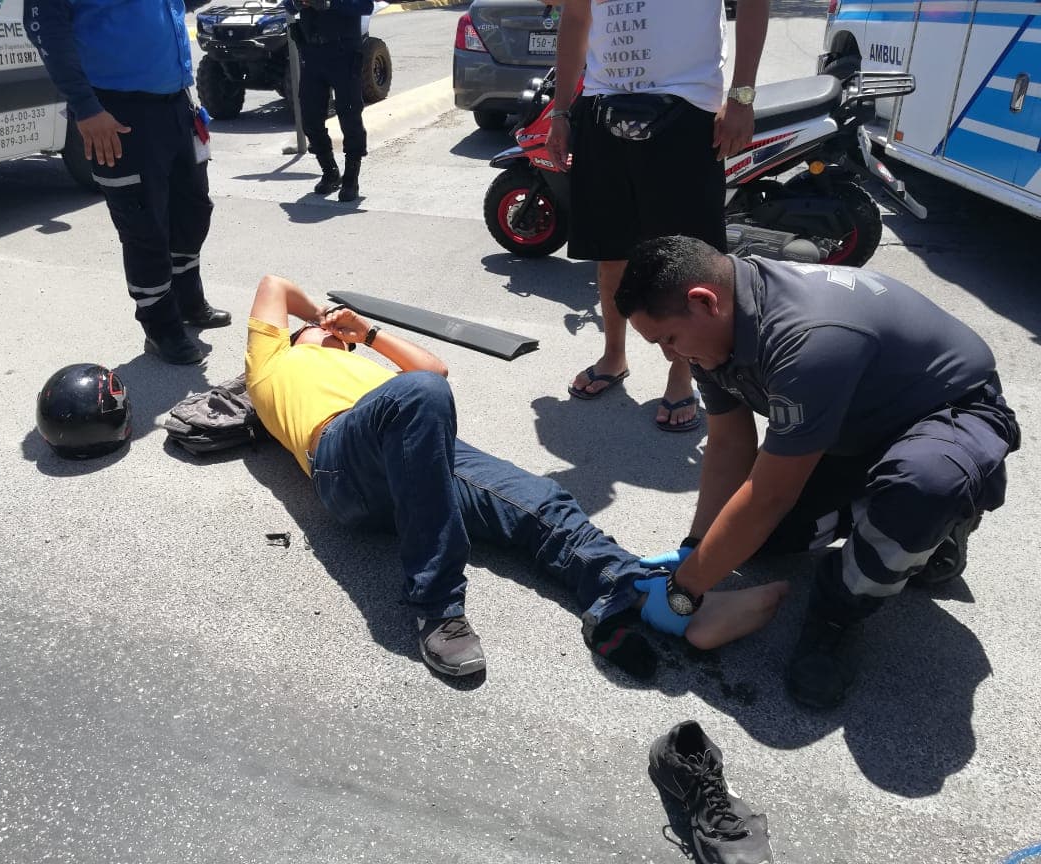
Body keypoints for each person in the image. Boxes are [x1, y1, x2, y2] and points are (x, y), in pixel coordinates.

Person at [244, 275, 789, 678]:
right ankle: (436, 609)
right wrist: (319, 315)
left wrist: (366, 333)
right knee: (419, 396)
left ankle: (660, 602)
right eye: (316, 335)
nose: (329, 337)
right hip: (343, 461)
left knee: (543, 504)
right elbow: (276, 285)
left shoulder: (365, 359)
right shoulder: (271, 360)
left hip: (421, 447)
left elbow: (435, 370)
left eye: (334, 337)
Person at [614, 236, 1021, 708]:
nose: (669, 355)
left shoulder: (807, 337)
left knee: (923, 486)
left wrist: (684, 594)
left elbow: (769, 496)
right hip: (856, 430)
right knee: (750, 542)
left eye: (667, 339)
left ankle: (839, 612)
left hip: (948, 414)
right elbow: (729, 443)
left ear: (703, 301)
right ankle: (896, 517)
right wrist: (695, 550)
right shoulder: (714, 328)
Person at [544, 0, 769, 432]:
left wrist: (741, 95)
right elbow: (575, 17)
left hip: (685, 107)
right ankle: (614, 353)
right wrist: (560, 110)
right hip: (601, 105)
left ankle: (684, 373)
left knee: (687, 260)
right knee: (610, 251)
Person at [25, 0, 231, 365]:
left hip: (177, 105)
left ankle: (188, 301)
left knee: (192, 210)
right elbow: (47, 31)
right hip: (118, 112)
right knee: (143, 224)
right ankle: (160, 327)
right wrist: (86, 108)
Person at [287, 0, 373, 202]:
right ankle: (330, 171)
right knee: (309, 118)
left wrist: (329, 3)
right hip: (313, 54)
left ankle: (351, 178)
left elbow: (365, 6)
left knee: (350, 118)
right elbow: (288, 6)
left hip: (344, 53)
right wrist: (298, 3)